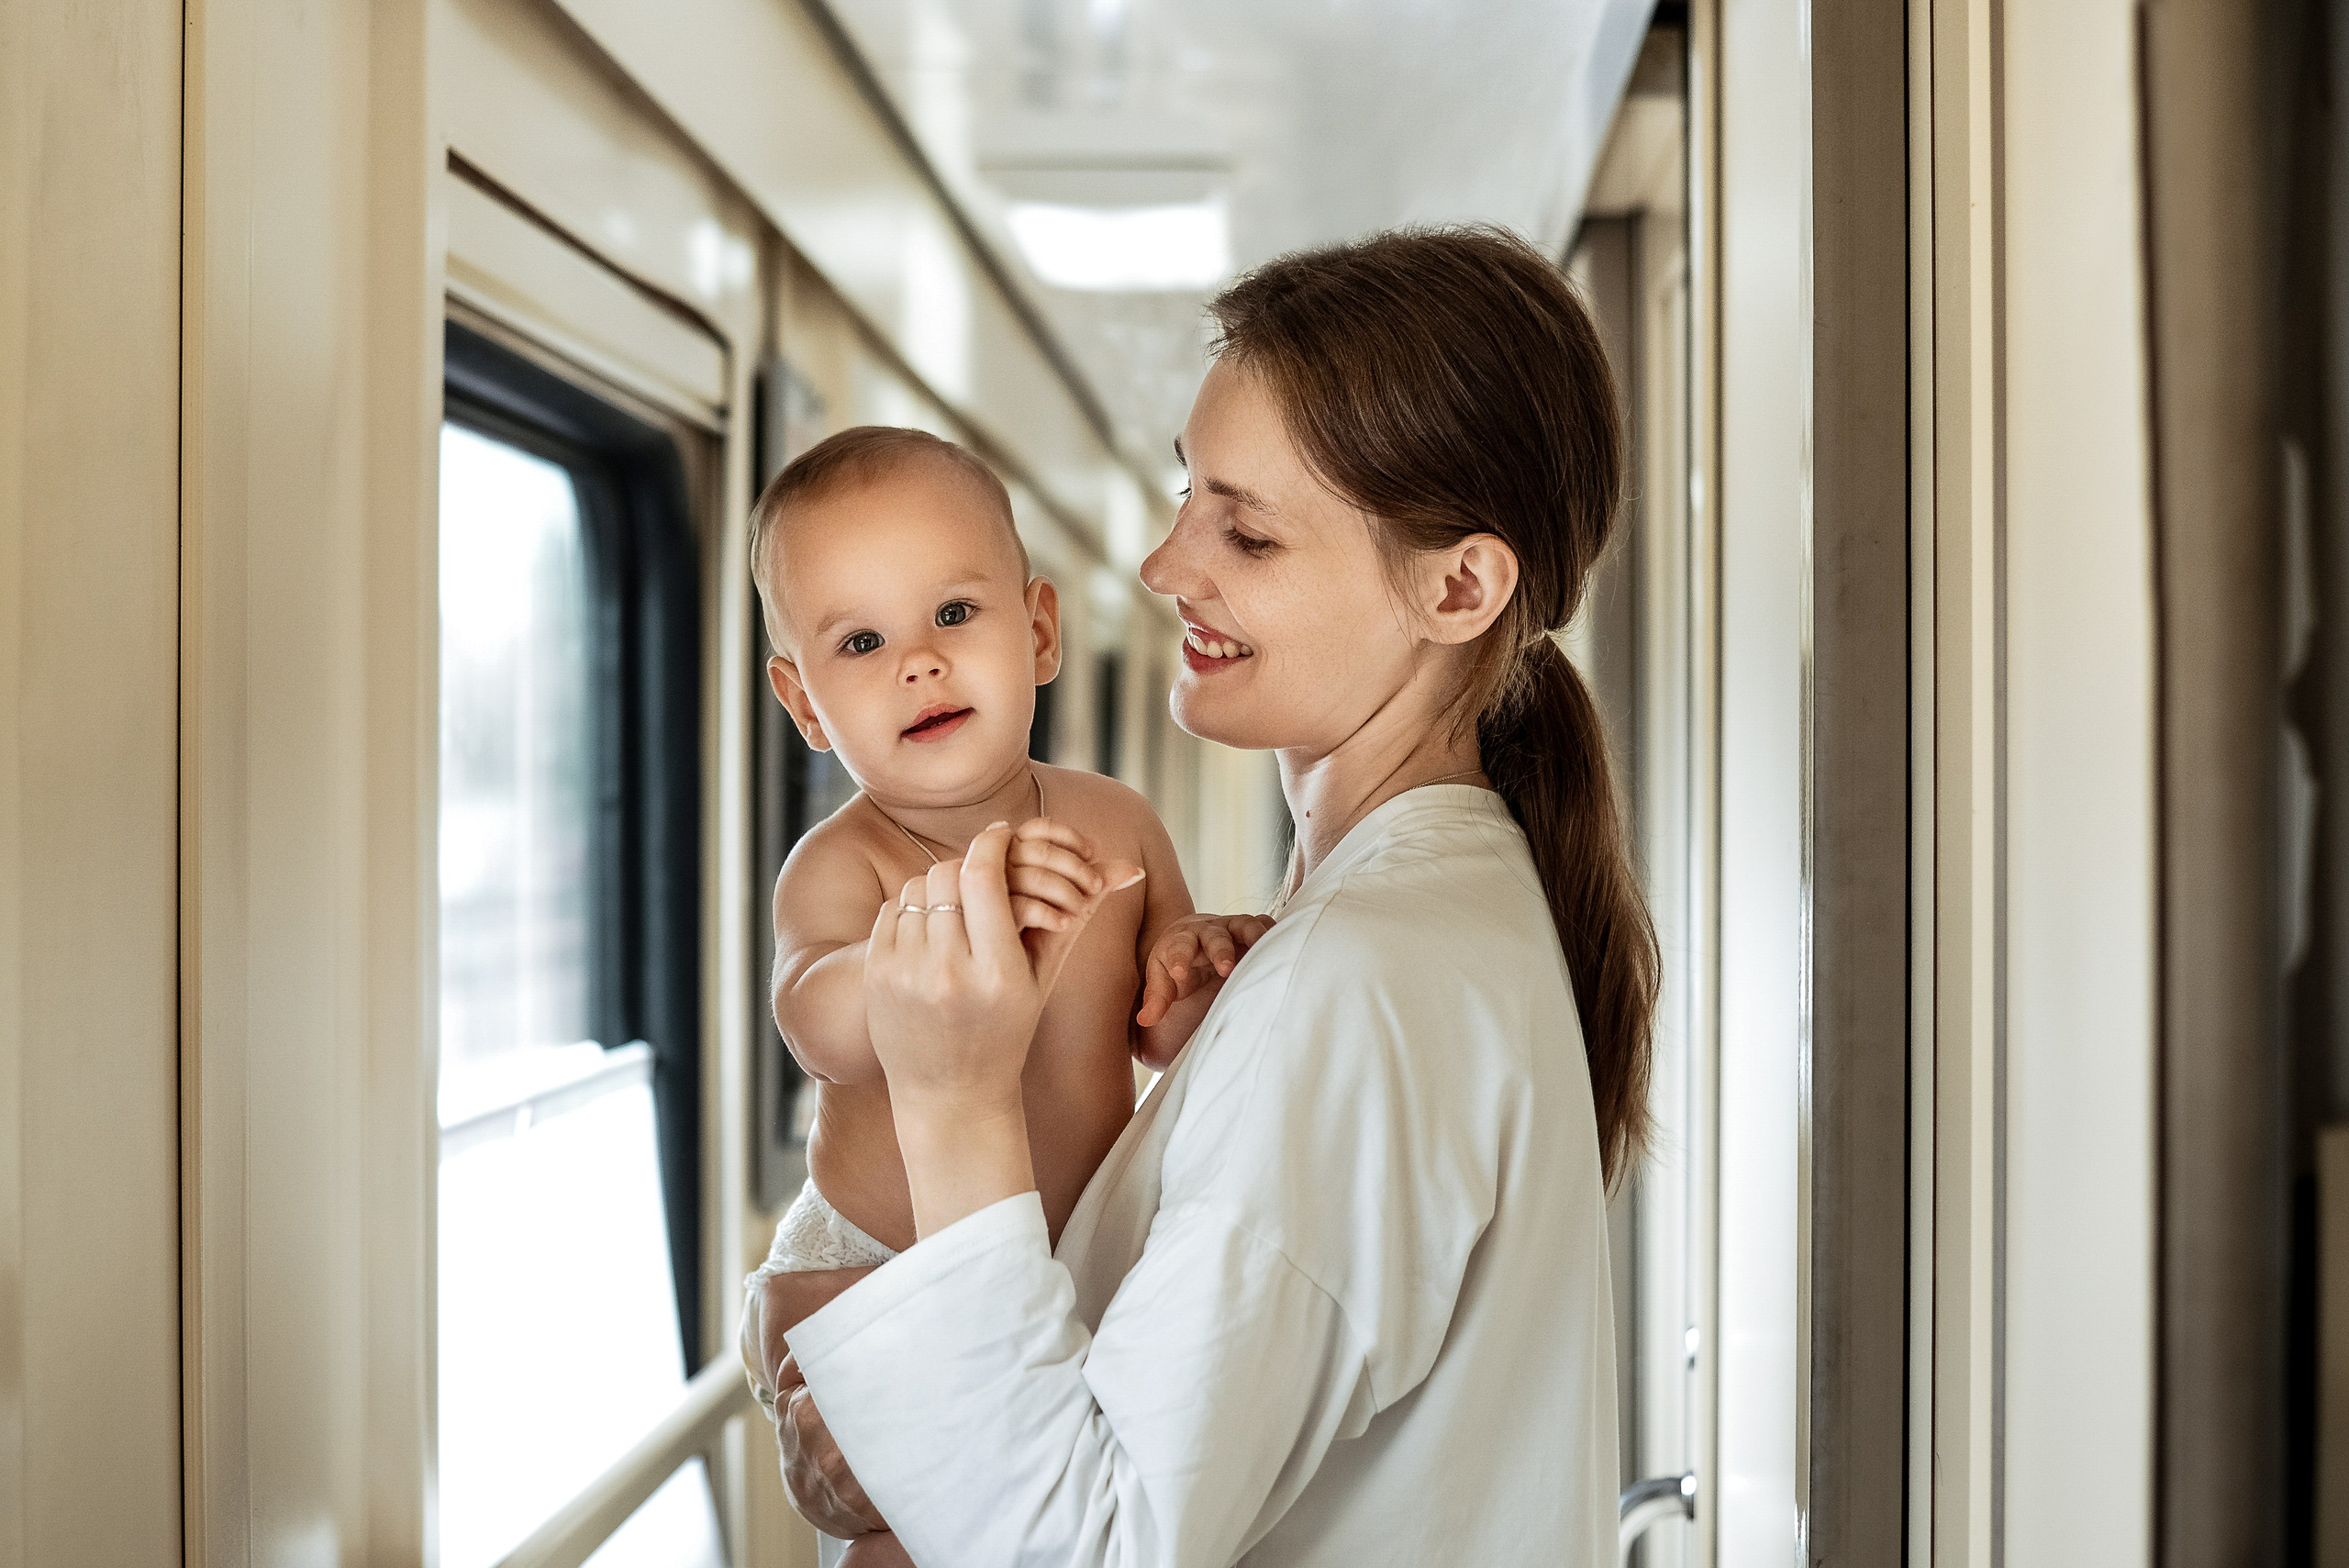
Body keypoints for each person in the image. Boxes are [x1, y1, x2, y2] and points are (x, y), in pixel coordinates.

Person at [755, 227, 1657, 1566]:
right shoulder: (1373, 932)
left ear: (1459, 587)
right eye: (1188, 496)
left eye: (1244, 529)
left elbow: (1085, 1546)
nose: (1165, 566)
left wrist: (947, 1098)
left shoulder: (1357, 983)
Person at [736, 425, 1272, 1565]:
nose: (916, 663)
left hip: (1070, 1254)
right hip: (875, 1257)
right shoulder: (845, 864)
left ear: (1036, 631)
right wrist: (927, 935)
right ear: (805, 704)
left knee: (1034, 1504)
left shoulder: (1113, 819)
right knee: (895, 1527)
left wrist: (1198, 963)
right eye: (862, 640)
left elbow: (1161, 1031)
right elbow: (814, 1021)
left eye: (954, 615)